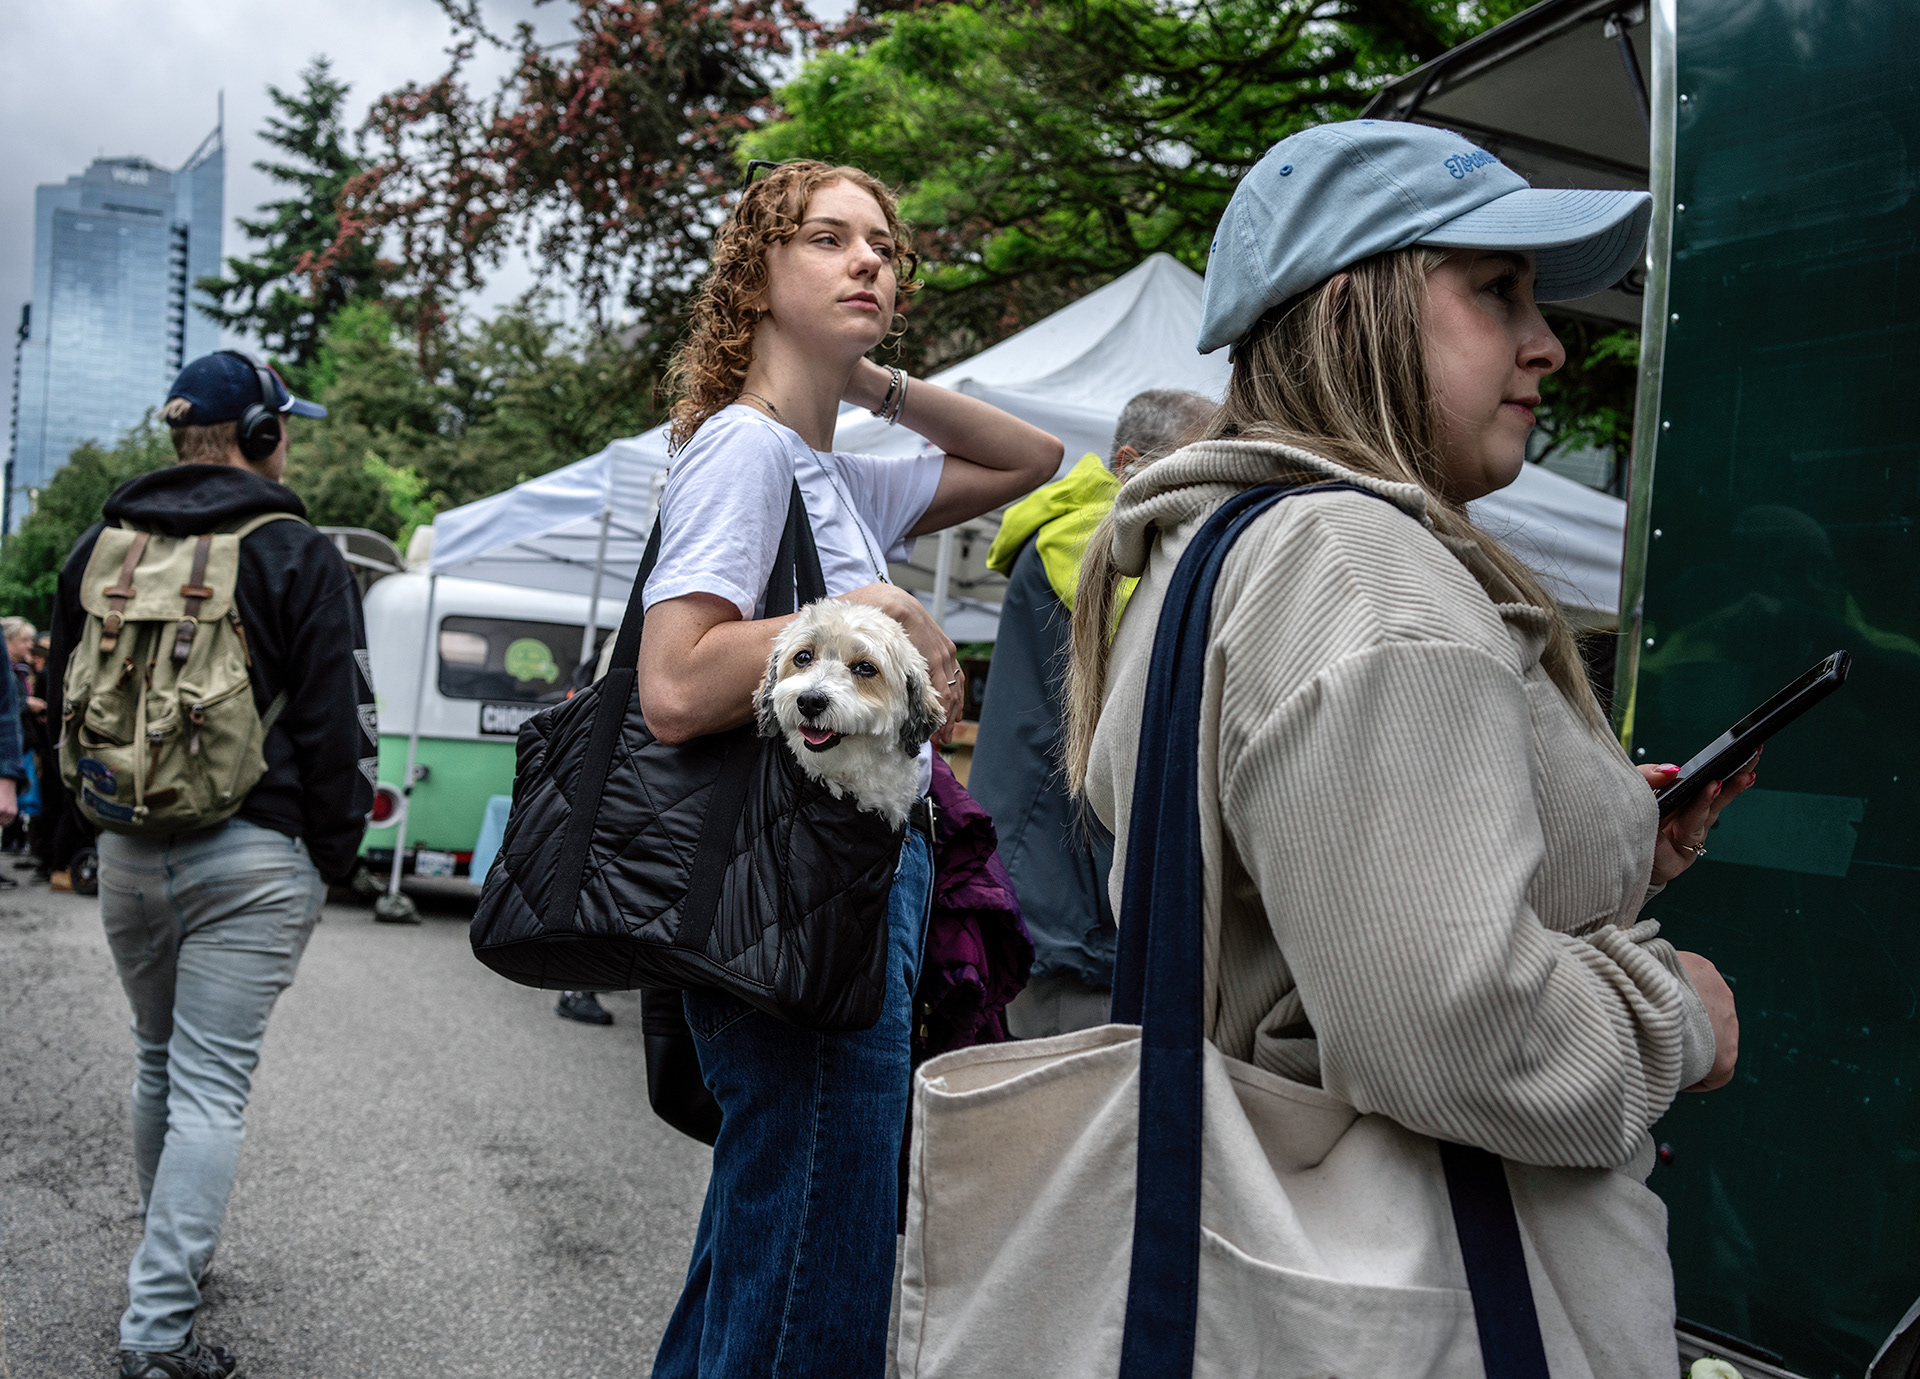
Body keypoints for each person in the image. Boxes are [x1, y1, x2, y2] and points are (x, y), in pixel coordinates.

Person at [1065, 121, 1745, 1374]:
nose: (1548, 341)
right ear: (1352, 309)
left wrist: (1610, 837)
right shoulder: (1362, 568)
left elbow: (1322, 892)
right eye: (1496, 290)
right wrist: (1679, 1018)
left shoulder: (1212, 546)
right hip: (1442, 1285)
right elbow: (1457, 1031)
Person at [641, 160, 1060, 1377]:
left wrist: (865, 378)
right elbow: (676, 685)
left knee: (774, 1233)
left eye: (881, 243)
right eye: (827, 240)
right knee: (816, 1258)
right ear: (755, 281)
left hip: (844, 880)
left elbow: (1029, 457)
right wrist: (858, 603)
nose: (870, 258)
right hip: (798, 882)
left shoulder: (828, 462)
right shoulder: (746, 449)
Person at [47, 351, 376, 1379]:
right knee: (210, 1089)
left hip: (129, 847)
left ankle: (167, 1253)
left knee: (159, 1060)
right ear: (266, 437)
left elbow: (61, 698)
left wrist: (71, 845)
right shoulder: (295, 548)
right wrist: (332, 856)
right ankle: (155, 1328)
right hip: (254, 851)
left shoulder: (98, 544)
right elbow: (336, 725)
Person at [972, 388, 1215, 1038]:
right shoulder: (1092, 537)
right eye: (1200, 465)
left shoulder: (1076, 530)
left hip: (1049, 890)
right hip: (1071, 912)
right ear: (1129, 463)